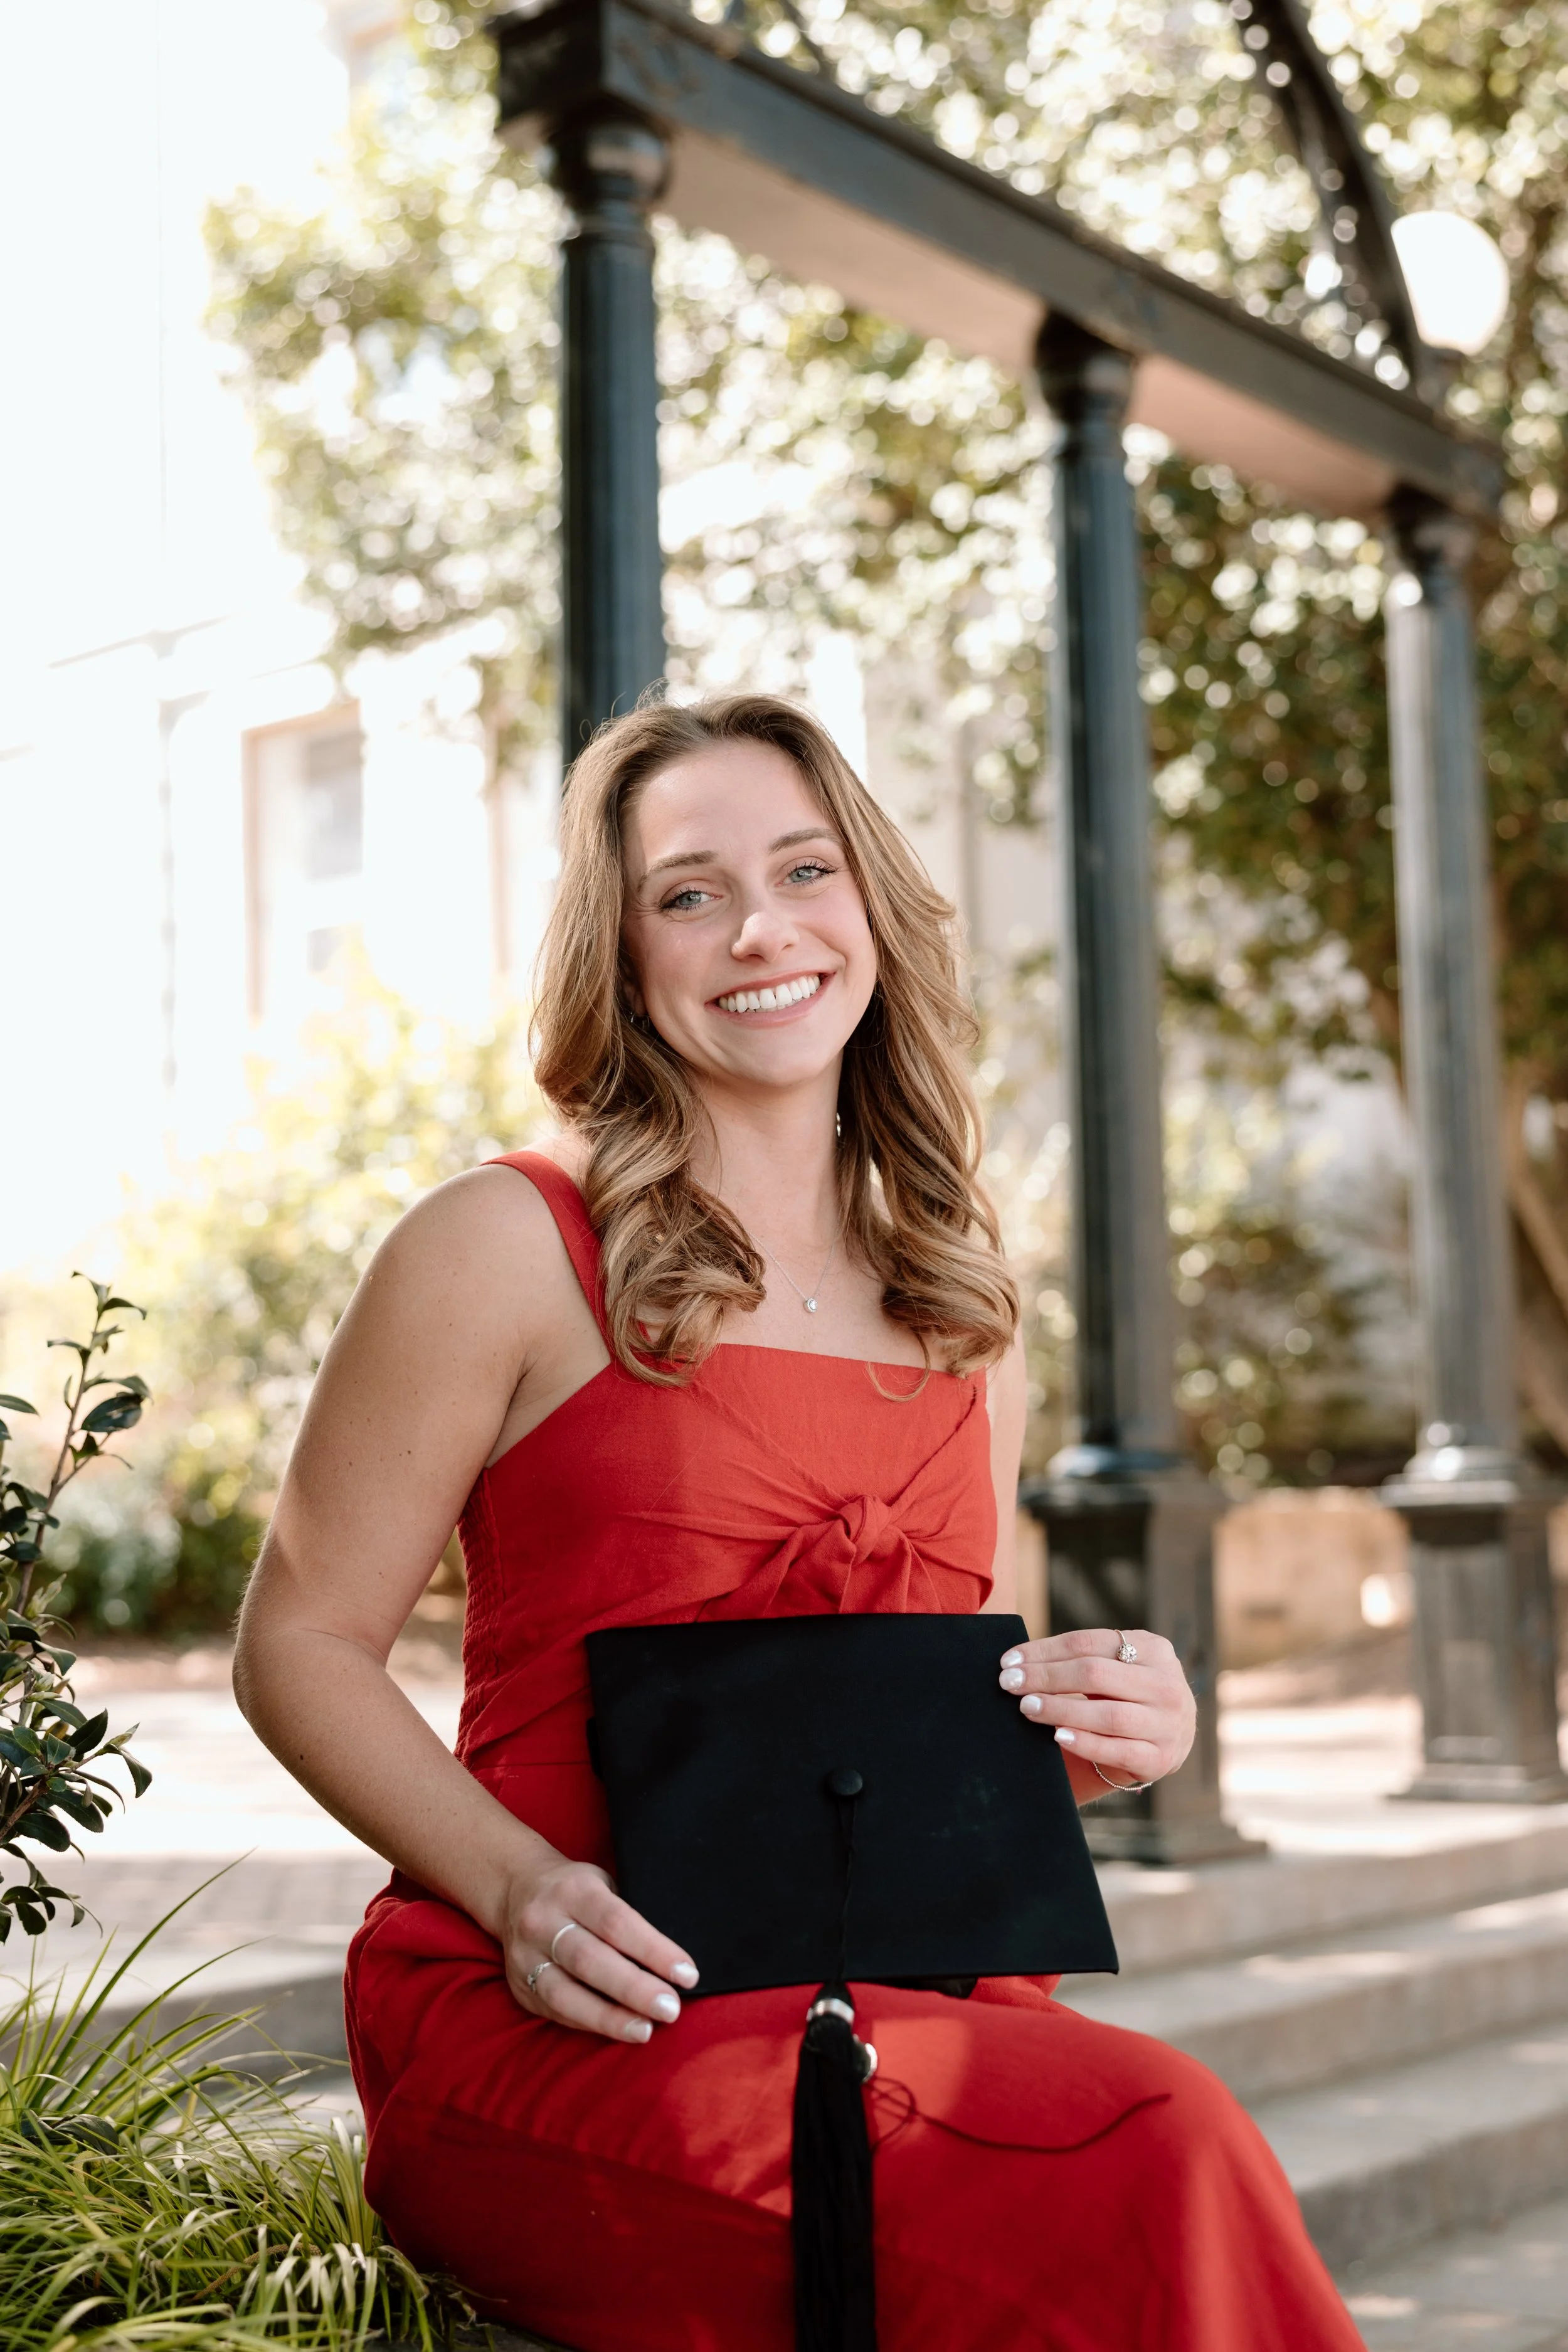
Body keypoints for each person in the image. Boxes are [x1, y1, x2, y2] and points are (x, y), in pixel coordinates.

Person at [233, 694, 1363, 2352]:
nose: (760, 928)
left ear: (871, 909)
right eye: (687, 891)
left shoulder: (965, 1291)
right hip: (572, 2003)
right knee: (1148, 2148)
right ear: (618, 955)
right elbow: (297, 1643)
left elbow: (926, 1723)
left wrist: (1110, 1723)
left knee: (1136, 2140)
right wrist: (522, 1890)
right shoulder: (496, 1243)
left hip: (886, 1984)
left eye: (802, 868)